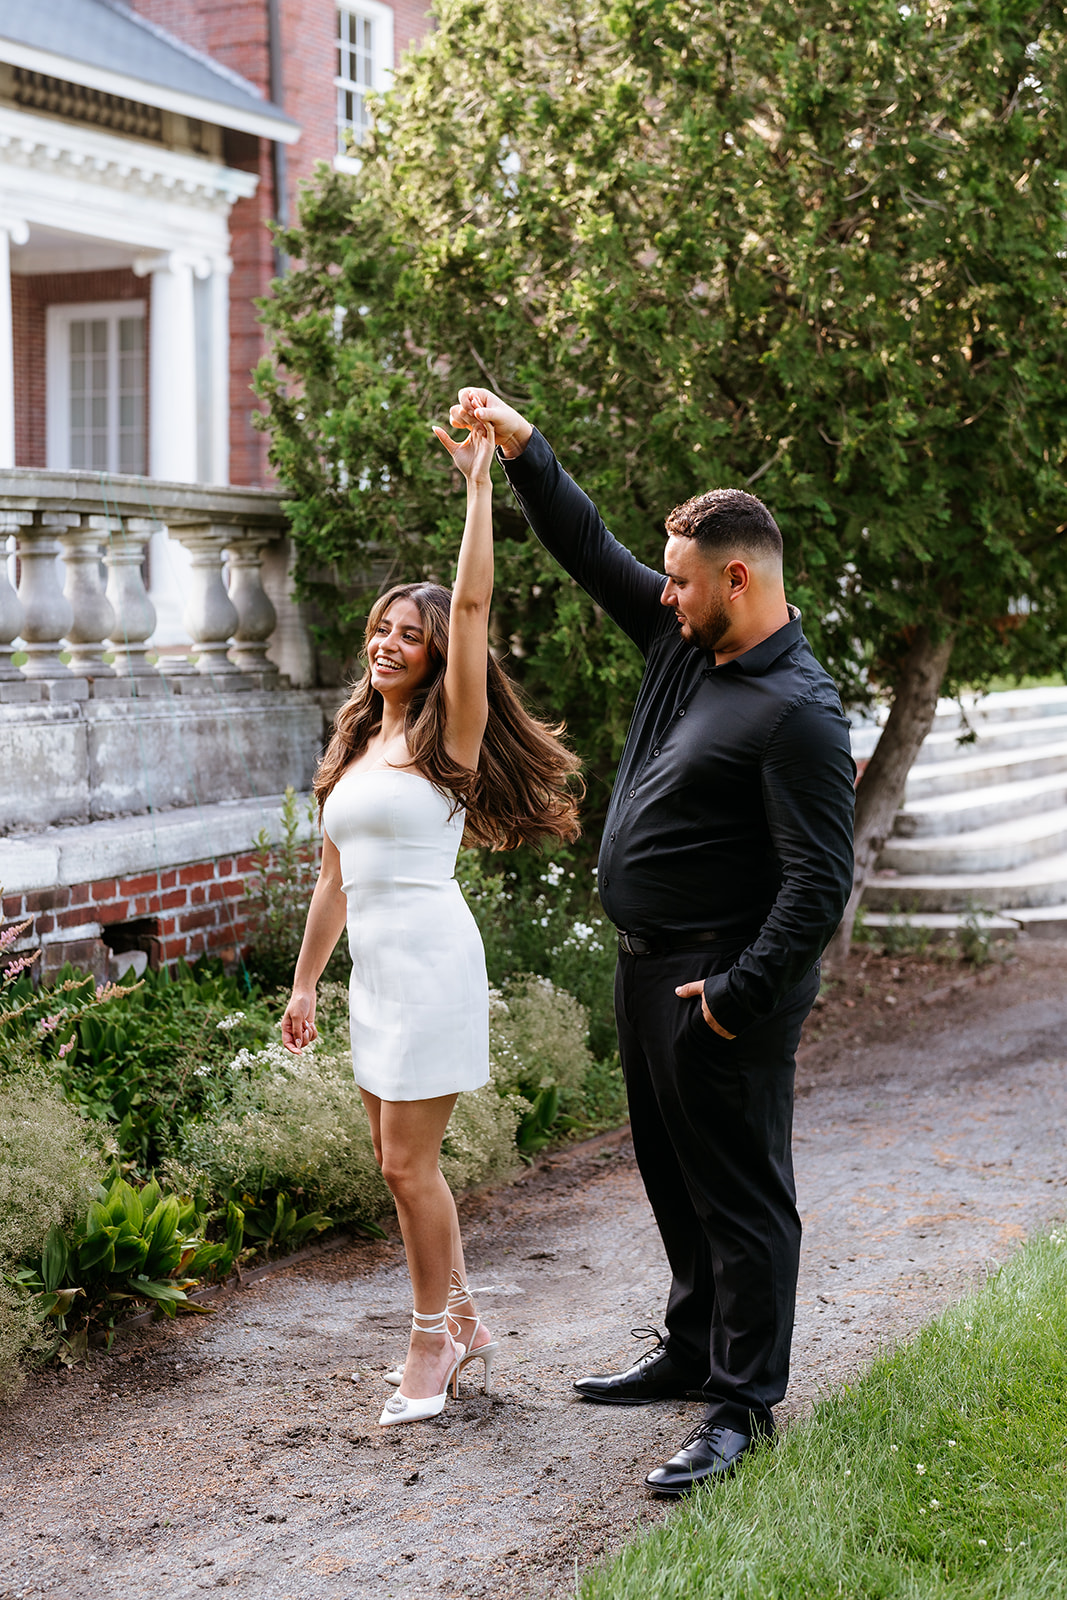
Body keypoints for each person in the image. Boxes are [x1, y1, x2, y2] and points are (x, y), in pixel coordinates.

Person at [448, 386, 855, 1494]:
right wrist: (525, 449)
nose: (660, 590)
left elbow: (821, 882)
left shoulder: (798, 710)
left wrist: (736, 990)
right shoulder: (687, 644)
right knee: (673, 1177)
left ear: (738, 577)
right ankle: (688, 1345)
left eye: (678, 576)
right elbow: (587, 551)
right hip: (647, 963)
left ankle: (740, 1404)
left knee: (740, 1190)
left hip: (715, 977)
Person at [281, 417, 581, 1429]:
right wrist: (301, 985)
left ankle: (430, 1342)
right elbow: (333, 879)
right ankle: (460, 1307)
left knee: (407, 1166)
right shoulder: (355, 750)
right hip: (373, 975)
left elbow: (474, 601)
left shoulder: (446, 738)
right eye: (382, 628)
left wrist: (478, 492)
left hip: (432, 963)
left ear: (436, 650)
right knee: (400, 1164)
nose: (389, 641)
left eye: (410, 633)